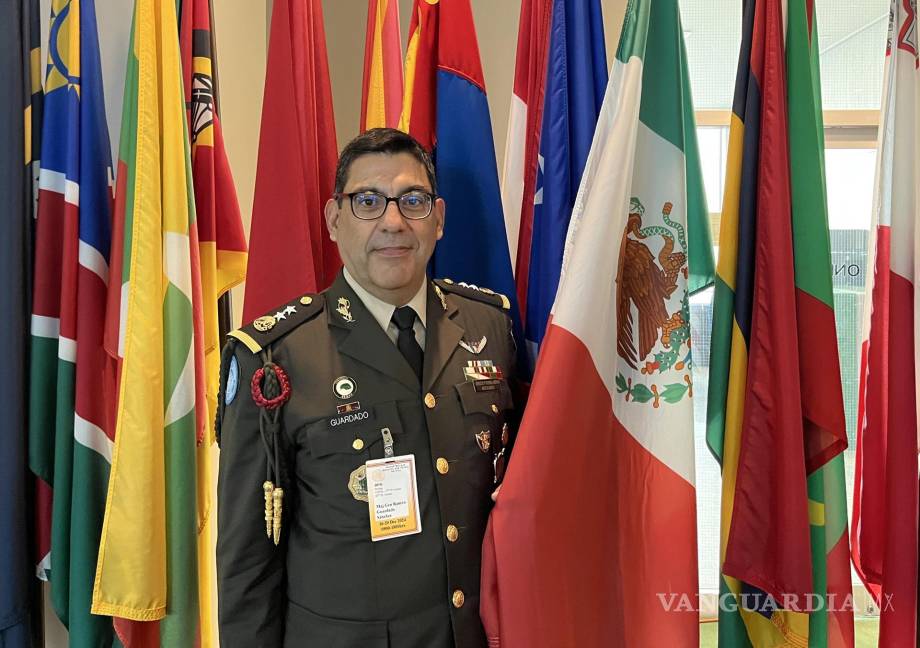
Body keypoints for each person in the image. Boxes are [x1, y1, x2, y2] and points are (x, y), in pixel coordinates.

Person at [216, 128, 522, 648]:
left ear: (439, 218)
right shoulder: (275, 358)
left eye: (413, 200)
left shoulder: (489, 327)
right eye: (368, 201)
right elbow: (247, 566)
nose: (393, 222)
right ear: (335, 219)